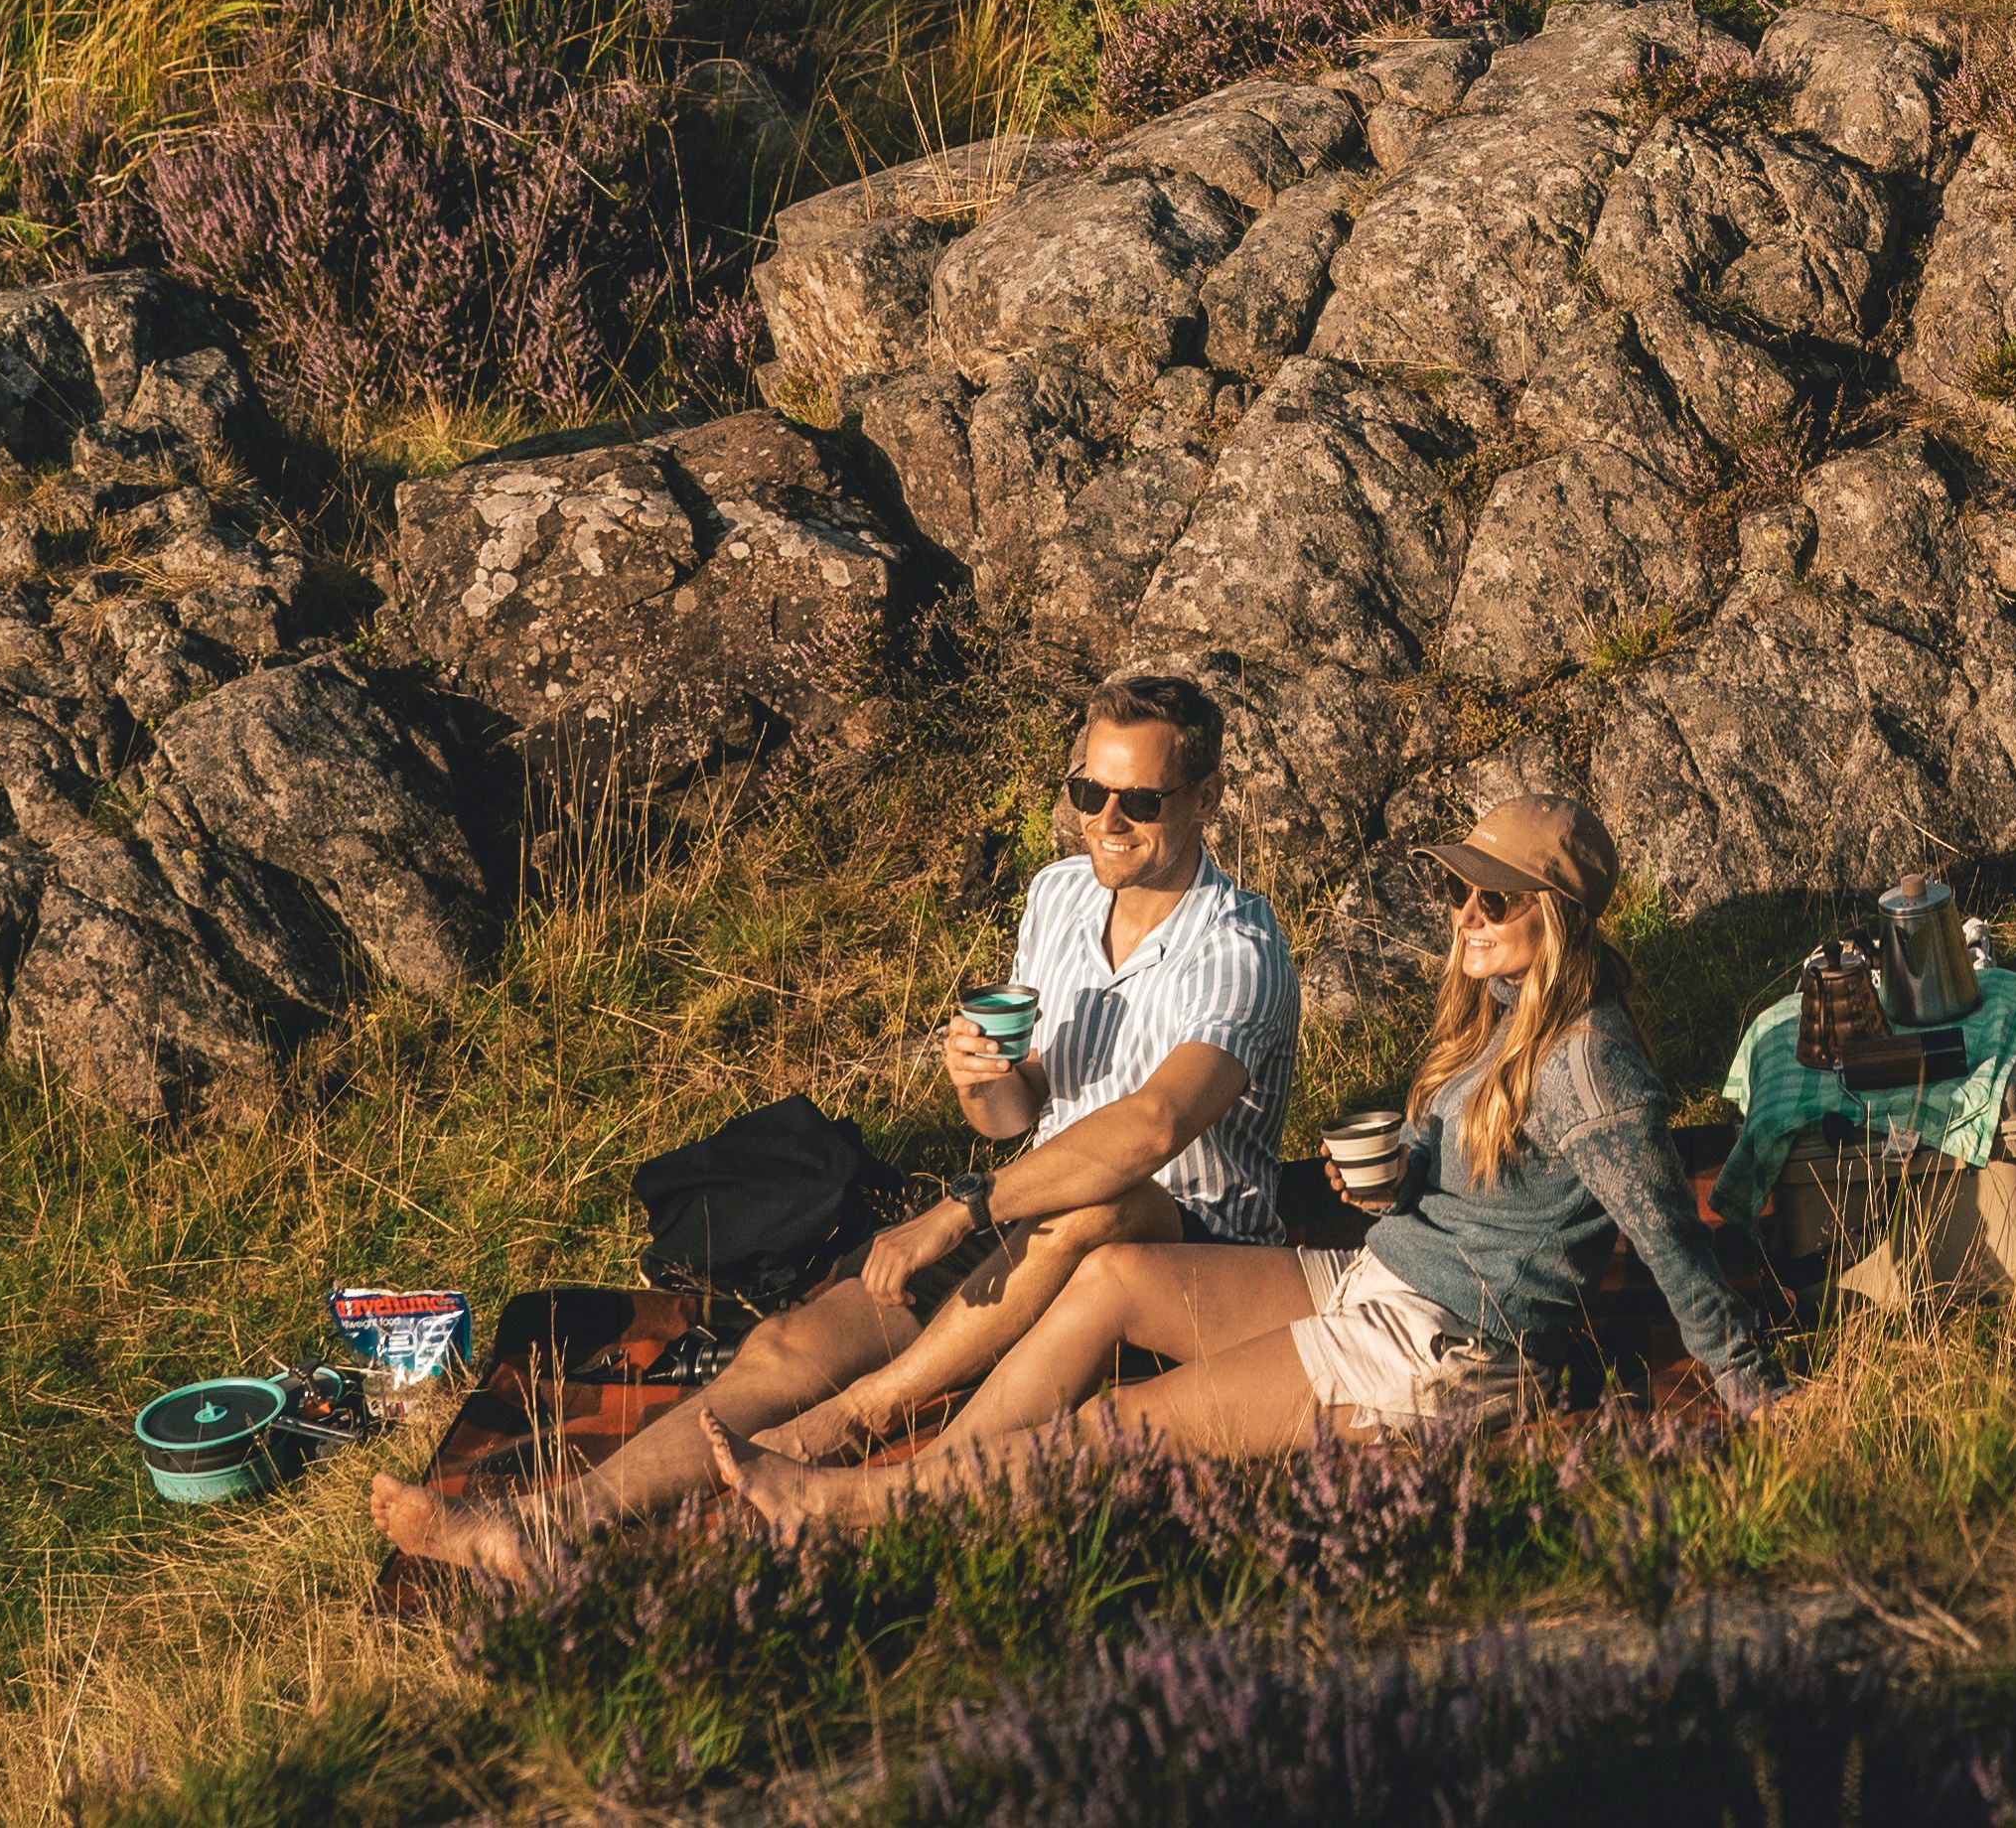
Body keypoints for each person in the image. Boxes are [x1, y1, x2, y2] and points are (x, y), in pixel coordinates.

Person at [382, 667, 1283, 1589]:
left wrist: (963, 1208)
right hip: (1030, 1206)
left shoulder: (1237, 947)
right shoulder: (1059, 897)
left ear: (1206, 798)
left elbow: (1151, 1128)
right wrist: (982, 1080)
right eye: (1088, 791)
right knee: (787, 1346)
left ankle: (862, 1419)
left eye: (1138, 799)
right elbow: (1013, 1117)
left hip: (1181, 1245)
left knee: (1102, 1207)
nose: (1107, 820)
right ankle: (548, 1522)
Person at [786, 788, 1779, 1516]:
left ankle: (866, 1510)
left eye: (1494, 901)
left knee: (1111, 1428)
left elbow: (1667, 1243)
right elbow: (1465, 1196)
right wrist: (1385, 1184)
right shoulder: (1499, 1020)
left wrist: (1755, 1391)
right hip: (1377, 1281)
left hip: (1447, 1346)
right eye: (1459, 895)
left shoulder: (1595, 1070)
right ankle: (920, 1471)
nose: (1465, 918)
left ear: (1553, 915)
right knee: (1113, 1275)